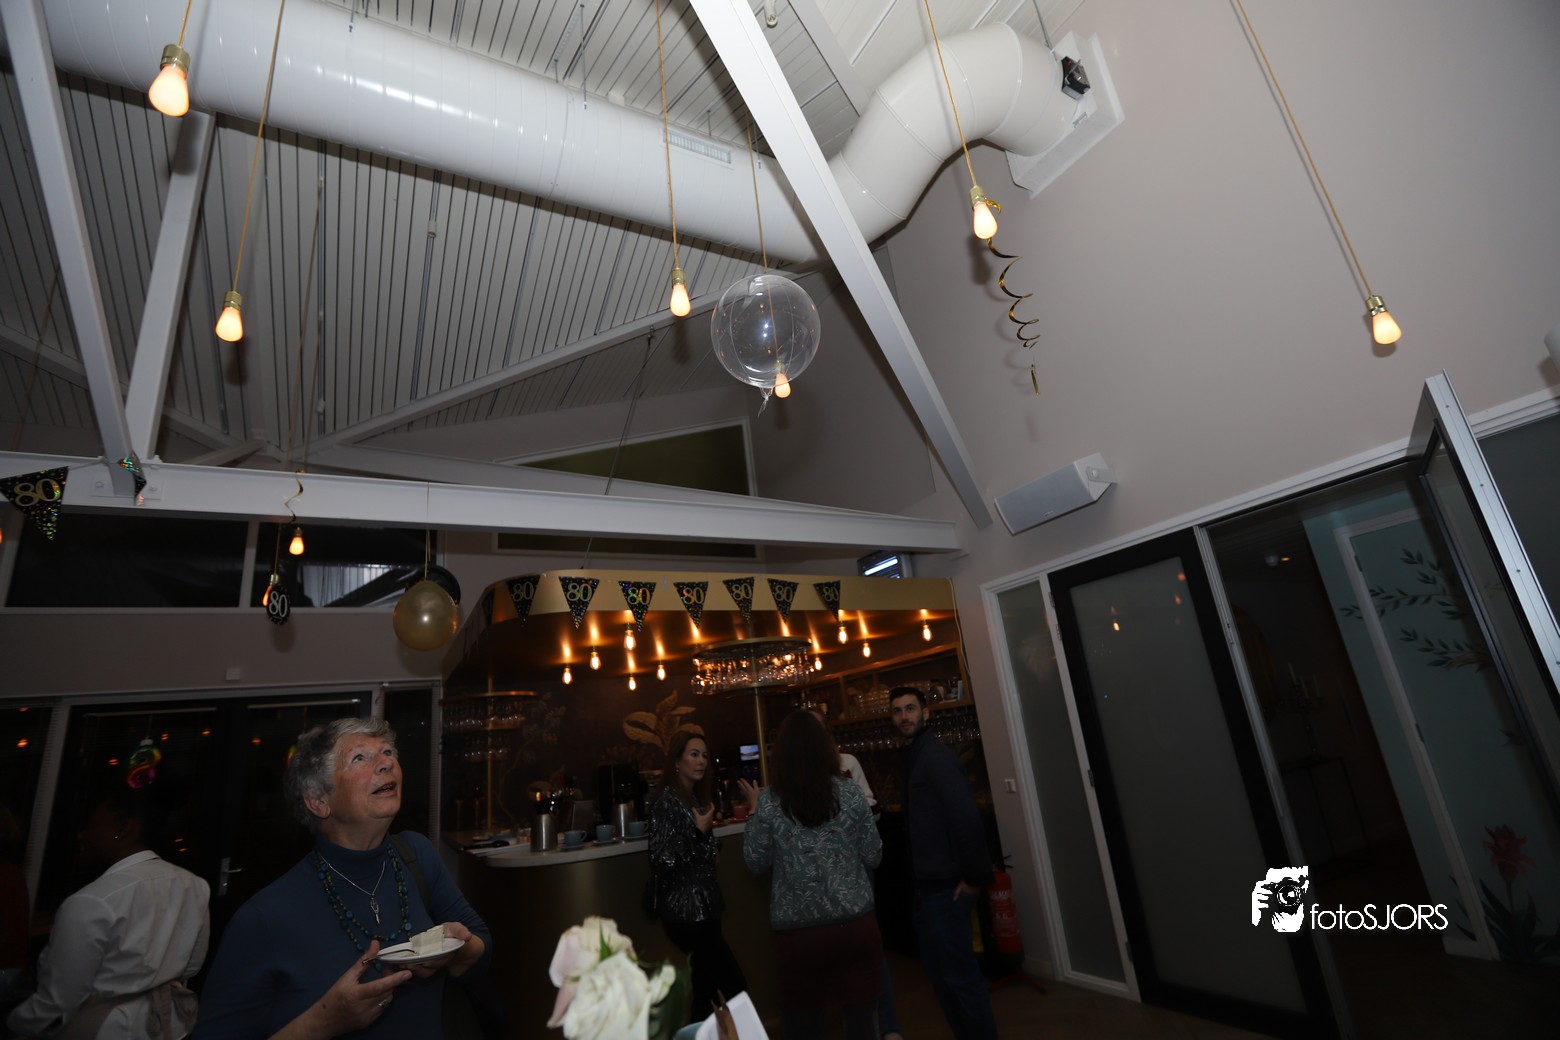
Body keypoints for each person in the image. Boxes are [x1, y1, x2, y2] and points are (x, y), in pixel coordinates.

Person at [194, 717, 491, 1039]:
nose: (386, 763)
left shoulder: (417, 855)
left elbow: (481, 946)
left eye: (388, 752)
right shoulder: (264, 918)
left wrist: (457, 950)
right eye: (360, 757)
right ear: (319, 801)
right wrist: (323, 1022)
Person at [6, 786, 210, 1040]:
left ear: (122, 829)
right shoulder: (194, 885)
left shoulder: (92, 900)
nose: (82, 834)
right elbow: (191, 965)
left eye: (92, 825)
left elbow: (58, 1002)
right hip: (168, 1025)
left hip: (105, 1029)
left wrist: (13, 1023)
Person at [740, 710, 883, 1040]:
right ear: (825, 748)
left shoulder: (770, 802)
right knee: (862, 1026)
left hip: (799, 936)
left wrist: (754, 809)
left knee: (803, 1028)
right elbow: (874, 855)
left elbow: (754, 861)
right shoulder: (850, 793)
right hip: (853, 927)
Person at [890, 686, 998, 1040]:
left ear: (927, 713)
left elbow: (966, 820)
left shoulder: (935, 758)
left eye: (910, 708)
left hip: (947, 891)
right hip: (927, 890)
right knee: (942, 979)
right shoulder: (915, 757)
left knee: (961, 981)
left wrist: (975, 879)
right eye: (897, 711)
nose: (904, 716)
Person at [647, 731, 746, 1023]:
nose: (701, 761)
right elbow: (661, 859)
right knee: (732, 984)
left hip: (702, 906)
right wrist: (697, 833)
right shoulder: (667, 801)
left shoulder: (691, 797)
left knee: (706, 990)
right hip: (687, 913)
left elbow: (697, 847)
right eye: (693, 754)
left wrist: (711, 844)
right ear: (677, 761)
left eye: (704, 755)